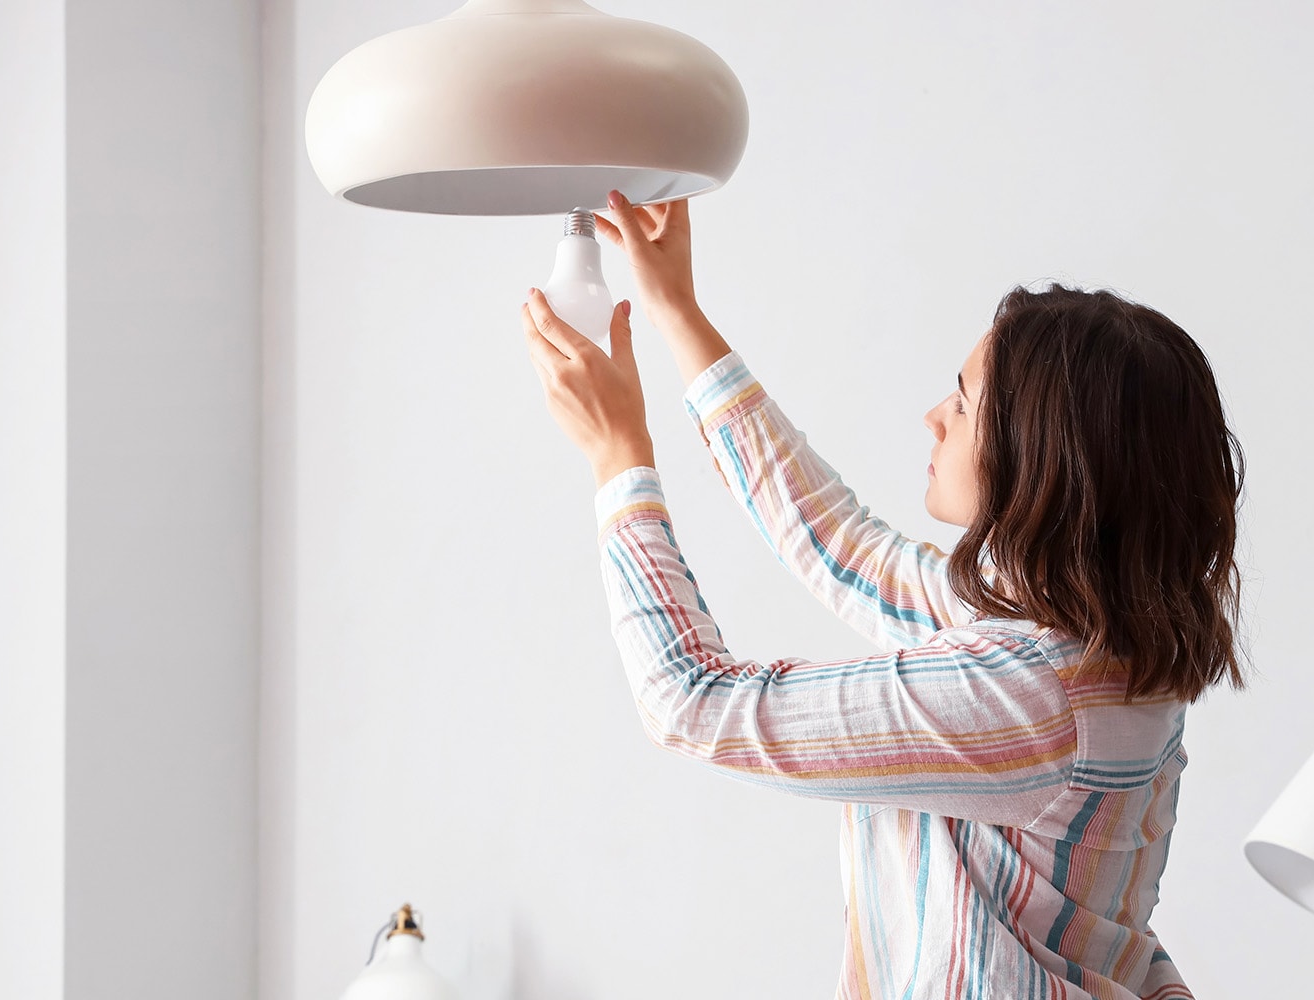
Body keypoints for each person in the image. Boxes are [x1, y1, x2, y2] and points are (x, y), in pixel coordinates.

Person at [520, 189, 1243, 1000]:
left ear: (1044, 459)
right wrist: (677, 312)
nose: (934, 417)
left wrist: (620, 460)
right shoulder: (1092, 645)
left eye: (964, 403)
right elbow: (845, 550)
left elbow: (691, 700)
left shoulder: (1030, 694)